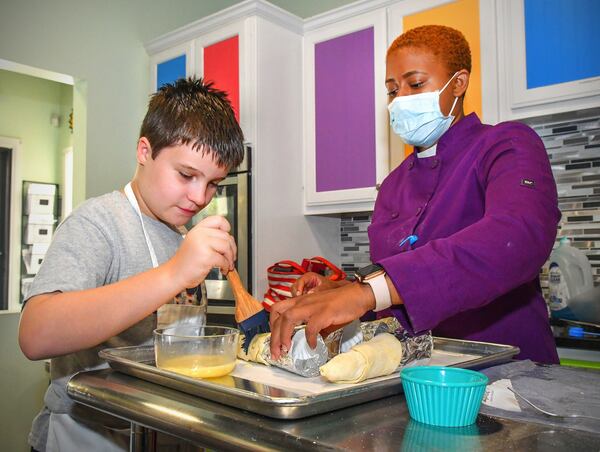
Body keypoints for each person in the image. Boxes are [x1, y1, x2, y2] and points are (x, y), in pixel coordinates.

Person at [270, 25, 560, 365]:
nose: (402, 99)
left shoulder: (506, 144)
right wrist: (341, 293)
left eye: (416, 83)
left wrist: (368, 291)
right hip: (413, 376)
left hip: (508, 374)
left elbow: (516, 238)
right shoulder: (392, 185)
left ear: (459, 83)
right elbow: (396, 297)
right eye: (393, 90)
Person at [19, 78, 244, 452]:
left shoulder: (181, 234)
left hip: (161, 430)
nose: (199, 196)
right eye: (186, 175)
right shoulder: (99, 223)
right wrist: (174, 273)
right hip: (87, 435)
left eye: (213, 184)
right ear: (144, 150)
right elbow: (35, 334)